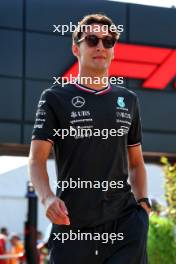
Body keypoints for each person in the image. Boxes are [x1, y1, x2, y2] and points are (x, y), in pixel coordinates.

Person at [28, 13, 152, 264]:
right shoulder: (54, 98)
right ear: (76, 48)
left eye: (108, 42)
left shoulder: (128, 100)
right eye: (92, 40)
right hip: (72, 223)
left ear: (113, 51)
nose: (100, 47)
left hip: (125, 224)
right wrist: (48, 197)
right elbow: (36, 159)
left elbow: (136, 162)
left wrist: (143, 205)